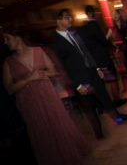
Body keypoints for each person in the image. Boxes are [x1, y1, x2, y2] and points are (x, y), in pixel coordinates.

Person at [1, 27, 90, 165]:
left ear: (17, 37)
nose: (5, 42)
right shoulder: (8, 62)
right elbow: (9, 89)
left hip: (47, 95)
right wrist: (28, 79)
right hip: (28, 102)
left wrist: (42, 74)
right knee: (41, 132)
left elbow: (53, 71)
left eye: (8, 38)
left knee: (57, 124)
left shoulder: (38, 51)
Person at [48, 9, 127, 135]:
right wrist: (77, 85)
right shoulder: (55, 42)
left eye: (71, 16)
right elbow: (62, 67)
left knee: (105, 97)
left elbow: (86, 53)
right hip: (80, 79)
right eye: (67, 17)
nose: (71, 19)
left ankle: (118, 118)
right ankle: (98, 133)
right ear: (58, 20)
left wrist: (97, 68)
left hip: (92, 72)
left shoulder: (75, 33)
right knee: (89, 108)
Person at [79, 5, 127, 105]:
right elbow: (103, 40)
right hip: (102, 56)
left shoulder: (83, 28)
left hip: (94, 58)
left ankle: (110, 101)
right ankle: (116, 100)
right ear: (92, 13)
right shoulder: (95, 24)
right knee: (112, 78)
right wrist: (112, 46)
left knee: (105, 80)